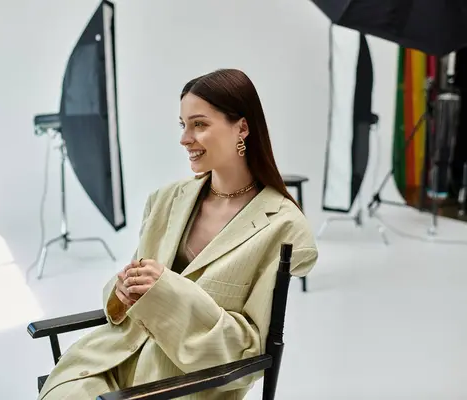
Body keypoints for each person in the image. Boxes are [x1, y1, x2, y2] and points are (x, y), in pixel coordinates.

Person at [37, 68, 318, 399]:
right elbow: (128, 296)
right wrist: (123, 291)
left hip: (176, 386)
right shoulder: (166, 200)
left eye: (199, 124)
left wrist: (165, 291)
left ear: (241, 127)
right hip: (104, 365)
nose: (185, 138)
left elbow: (248, 354)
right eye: (183, 125)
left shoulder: (282, 227)